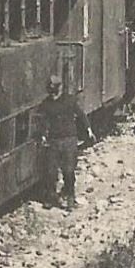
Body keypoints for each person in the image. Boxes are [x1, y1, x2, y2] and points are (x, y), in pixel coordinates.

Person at [36, 74, 93, 210]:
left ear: (59, 87)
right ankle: (50, 197)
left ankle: (70, 197)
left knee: (68, 171)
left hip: (69, 140)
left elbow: (81, 115)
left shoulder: (69, 100)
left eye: (54, 87)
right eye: (50, 87)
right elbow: (43, 121)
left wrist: (89, 129)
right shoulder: (46, 104)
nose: (52, 90)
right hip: (54, 141)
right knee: (51, 171)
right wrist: (43, 135)